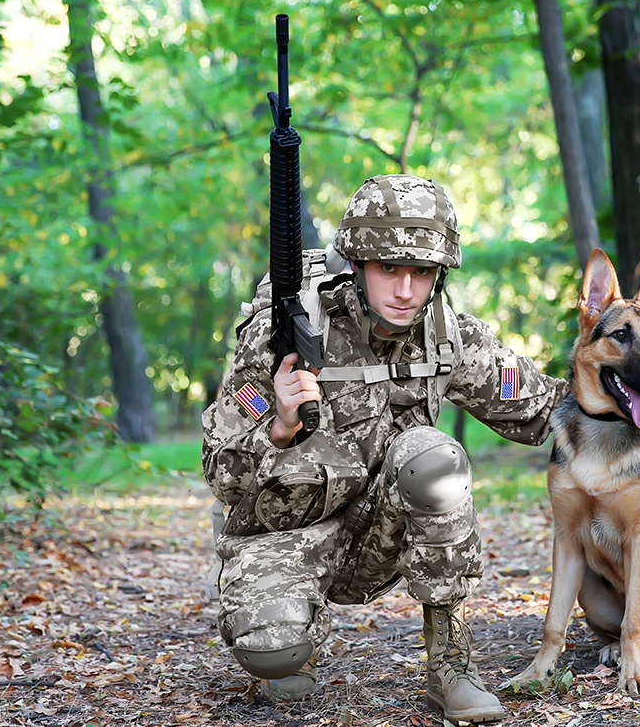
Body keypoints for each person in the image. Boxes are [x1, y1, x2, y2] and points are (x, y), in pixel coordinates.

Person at [201, 174, 569, 723]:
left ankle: (451, 669)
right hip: (286, 531)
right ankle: (292, 628)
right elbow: (219, 469)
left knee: (434, 455)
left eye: (422, 272)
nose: (405, 290)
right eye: (388, 269)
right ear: (357, 265)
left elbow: (544, 408)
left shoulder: (446, 335)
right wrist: (276, 425)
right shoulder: (283, 335)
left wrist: (638, 389)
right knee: (274, 652)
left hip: (380, 531)